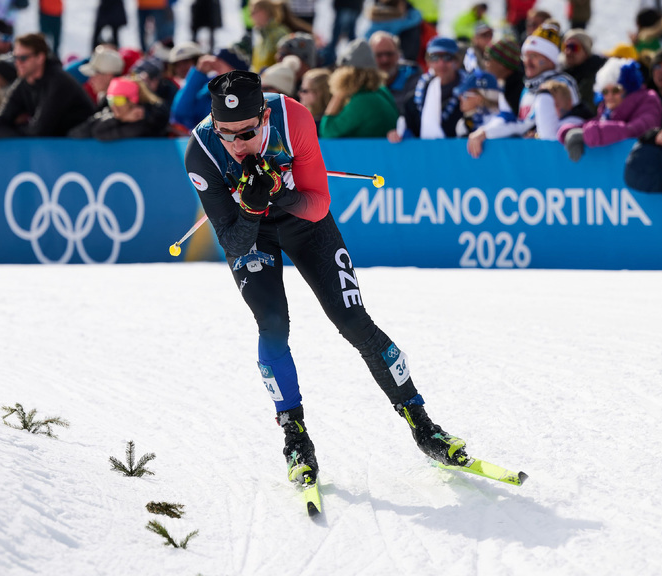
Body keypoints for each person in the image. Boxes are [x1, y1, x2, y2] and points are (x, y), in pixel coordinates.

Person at [183, 69, 472, 490]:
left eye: (245, 133)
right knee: (273, 325)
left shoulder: (293, 117)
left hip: (302, 219)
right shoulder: (203, 153)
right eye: (226, 134)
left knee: (353, 320)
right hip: (253, 231)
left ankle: (423, 424)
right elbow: (231, 241)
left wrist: (279, 193)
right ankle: (295, 438)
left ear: (263, 117)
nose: (236, 145)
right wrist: (250, 207)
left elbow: (318, 205)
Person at [467, 23, 580, 158]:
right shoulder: (528, 87)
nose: (528, 61)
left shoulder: (561, 83)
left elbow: (526, 124)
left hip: (560, 157)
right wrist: (484, 130)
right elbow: (508, 117)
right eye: (526, 56)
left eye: (535, 56)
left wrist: (486, 132)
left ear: (550, 59)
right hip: (537, 157)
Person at [0, 33, 95, 138]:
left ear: (40, 58)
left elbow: (40, 130)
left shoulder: (58, 81)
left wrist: (16, 128)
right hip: (60, 147)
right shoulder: (23, 82)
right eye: (15, 57)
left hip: (84, 147)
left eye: (22, 58)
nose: (17, 63)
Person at [559, 58, 662, 161]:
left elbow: (634, 131)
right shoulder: (607, 113)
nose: (609, 96)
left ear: (628, 88)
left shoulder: (648, 100)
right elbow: (591, 125)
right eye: (605, 91)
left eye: (615, 90)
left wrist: (584, 135)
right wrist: (567, 132)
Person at [320, 37, 398, 138]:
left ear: (347, 74)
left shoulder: (361, 101)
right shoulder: (382, 92)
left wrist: (339, 94)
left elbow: (327, 131)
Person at [393, 36, 464, 141]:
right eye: (434, 57)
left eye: (447, 57)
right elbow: (408, 130)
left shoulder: (470, 94)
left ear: (457, 61)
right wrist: (398, 135)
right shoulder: (414, 100)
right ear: (428, 62)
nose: (441, 63)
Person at [170, 45, 249, 131]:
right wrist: (198, 73)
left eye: (219, 64)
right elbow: (180, 114)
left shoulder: (249, 92)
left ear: (233, 69)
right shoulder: (209, 90)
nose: (215, 67)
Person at [69, 76, 169, 140]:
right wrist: (117, 119)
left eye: (119, 100)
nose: (114, 105)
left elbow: (100, 133)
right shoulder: (110, 112)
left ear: (132, 100)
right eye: (111, 100)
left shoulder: (151, 116)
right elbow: (76, 133)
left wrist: (121, 120)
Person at [368, 31, 419, 115]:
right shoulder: (363, 82)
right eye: (379, 55)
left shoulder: (414, 79)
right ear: (370, 58)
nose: (385, 59)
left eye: (389, 54)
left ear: (398, 55)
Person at [561, 29, 605, 109]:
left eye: (573, 47)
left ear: (586, 51)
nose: (568, 52)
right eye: (565, 46)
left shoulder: (596, 77)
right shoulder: (561, 73)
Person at [453, 69, 500, 137]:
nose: (460, 98)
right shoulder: (465, 124)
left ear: (479, 98)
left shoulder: (502, 122)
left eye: (465, 95)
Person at [249, 0, 290, 73]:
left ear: (265, 11)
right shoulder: (261, 36)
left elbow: (285, 64)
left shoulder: (279, 34)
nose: (251, 15)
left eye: (255, 11)